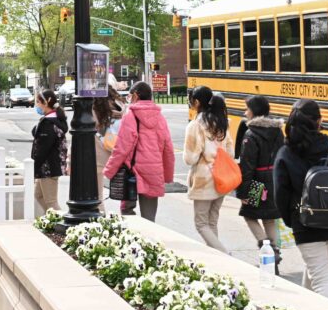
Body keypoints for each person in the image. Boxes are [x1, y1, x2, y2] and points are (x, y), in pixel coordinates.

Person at [274, 99, 328, 299]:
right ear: (319, 121)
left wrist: (291, 220)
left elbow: (280, 194)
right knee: (315, 271)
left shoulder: (286, 153)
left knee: (321, 279)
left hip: (306, 224)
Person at [103, 81, 175, 221]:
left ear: (135, 96)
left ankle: (137, 238)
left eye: (130, 96)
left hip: (133, 171)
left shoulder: (131, 116)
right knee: (149, 218)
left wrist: (110, 170)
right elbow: (168, 149)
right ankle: (150, 239)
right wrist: (167, 174)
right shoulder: (160, 118)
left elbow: (122, 148)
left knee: (127, 211)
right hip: (154, 171)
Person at [183, 85, 234, 251]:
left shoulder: (196, 125)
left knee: (201, 223)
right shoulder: (222, 122)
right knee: (212, 221)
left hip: (204, 178)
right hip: (222, 176)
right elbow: (230, 152)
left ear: (197, 102)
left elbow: (190, 158)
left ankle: (225, 255)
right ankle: (217, 259)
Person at [237, 95, 284, 270]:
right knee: (270, 218)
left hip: (258, 182)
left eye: (247, 109)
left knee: (249, 215)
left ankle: (269, 250)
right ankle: (273, 257)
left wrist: (243, 192)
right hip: (274, 179)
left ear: (254, 111)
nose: (245, 112)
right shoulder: (278, 130)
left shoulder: (251, 133)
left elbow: (247, 166)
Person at [31, 89, 69, 215]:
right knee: (39, 195)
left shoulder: (49, 123)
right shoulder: (50, 120)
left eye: (38, 102)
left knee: (51, 201)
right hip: (47, 167)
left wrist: (33, 168)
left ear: (46, 103)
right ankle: (53, 220)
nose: (36, 105)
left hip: (48, 167)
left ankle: (61, 222)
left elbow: (43, 149)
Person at [92, 86, 123, 213]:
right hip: (111, 152)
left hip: (96, 154)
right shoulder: (119, 109)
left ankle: (100, 221)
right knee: (98, 194)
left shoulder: (96, 110)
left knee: (96, 195)